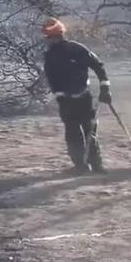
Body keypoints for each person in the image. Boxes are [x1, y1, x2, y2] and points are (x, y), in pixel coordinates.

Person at [41, 18, 112, 174]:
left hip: (84, 99)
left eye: (48, 37)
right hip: (66, 101)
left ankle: (96, 166)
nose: (46, 41)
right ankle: (81, 166)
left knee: (89, 133)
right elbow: (52, 78)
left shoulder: (77, 49)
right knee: (73, 134)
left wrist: (105, 88)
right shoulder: (50, 56)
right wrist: (57, 94)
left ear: (56, 36)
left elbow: (98, 66)